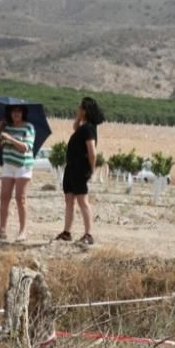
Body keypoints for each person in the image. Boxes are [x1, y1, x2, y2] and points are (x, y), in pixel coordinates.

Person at [56, 96, 105, 245]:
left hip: (79, 169)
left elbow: (92, 152)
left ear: (85, 110)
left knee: (82, 201)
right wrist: (79, 117)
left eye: (80, 107)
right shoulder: (83, 127)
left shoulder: (89, 128)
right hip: (71, 168)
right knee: (69, 200)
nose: (77, 109)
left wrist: (91, 169)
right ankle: (66, 232)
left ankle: (88, 234)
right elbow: (75, 127)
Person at [0, 105, 35, 241]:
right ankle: (2, 229)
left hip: (23, 165)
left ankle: (23, 231)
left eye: (18, 111)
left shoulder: (28, 127)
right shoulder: (7, 128)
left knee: (20, 198)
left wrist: (9, 138)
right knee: (4, 197)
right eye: (13, 111)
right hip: (8, 165)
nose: (16, 114)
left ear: (23, 113)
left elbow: (25, 148)